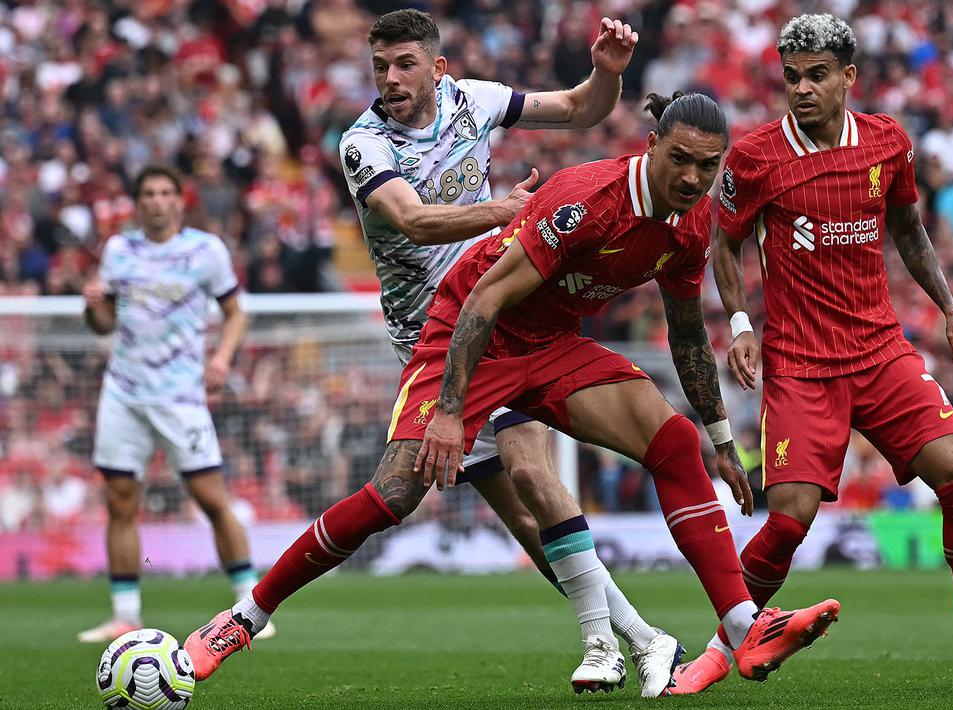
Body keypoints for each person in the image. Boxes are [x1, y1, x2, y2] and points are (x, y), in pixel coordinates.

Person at [187, 91, 839, 692]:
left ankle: (739, 625)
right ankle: (239, 621)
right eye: (680, 160)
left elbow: (688, 332)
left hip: (550, 344)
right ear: (651, 146)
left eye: (706, 164)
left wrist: (722, 439)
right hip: (470, 333)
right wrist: (449, 410)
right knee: (393, 494)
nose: (692, 178)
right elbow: (486, 295)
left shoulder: (692, 224)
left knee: (673, 442)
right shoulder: (587, 198)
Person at [188, 9, 683, 696]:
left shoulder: (474, 101)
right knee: (414, 497)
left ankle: (620, 640)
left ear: (436, 67)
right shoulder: (362, 143)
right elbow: (414, 221)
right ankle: (645, 638)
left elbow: (578, 109)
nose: (389, 79)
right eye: (379, 68)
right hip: (431, 339)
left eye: (403, 65)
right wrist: (504, 213)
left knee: (537, 479)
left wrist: (605, 71)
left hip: (503, 320)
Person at [674, 14, 953, 692]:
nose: (801, 89)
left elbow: (909, 230)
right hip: (801, 363)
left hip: (879, 350)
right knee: (789, 519)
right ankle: (719, 653)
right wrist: (741, 323)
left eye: (815, 76)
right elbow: (724, 243)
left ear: (846, 77)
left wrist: (950, 309)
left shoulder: (887, 143)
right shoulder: (755, 157)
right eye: (792, 78)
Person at [77, 166, 272, 643]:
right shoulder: (119, 251)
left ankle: (250, 609)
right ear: (137, 202)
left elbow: (235, 313)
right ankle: (125, 614)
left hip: (181, 394)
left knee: (210, 498)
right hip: (124, 392)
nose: (158, 201)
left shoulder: (205, 251)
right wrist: (92, 306)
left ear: (179, 201)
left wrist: (223, 359)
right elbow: (102, 325)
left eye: (166, 192)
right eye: (148, 193)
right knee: (120, 501)